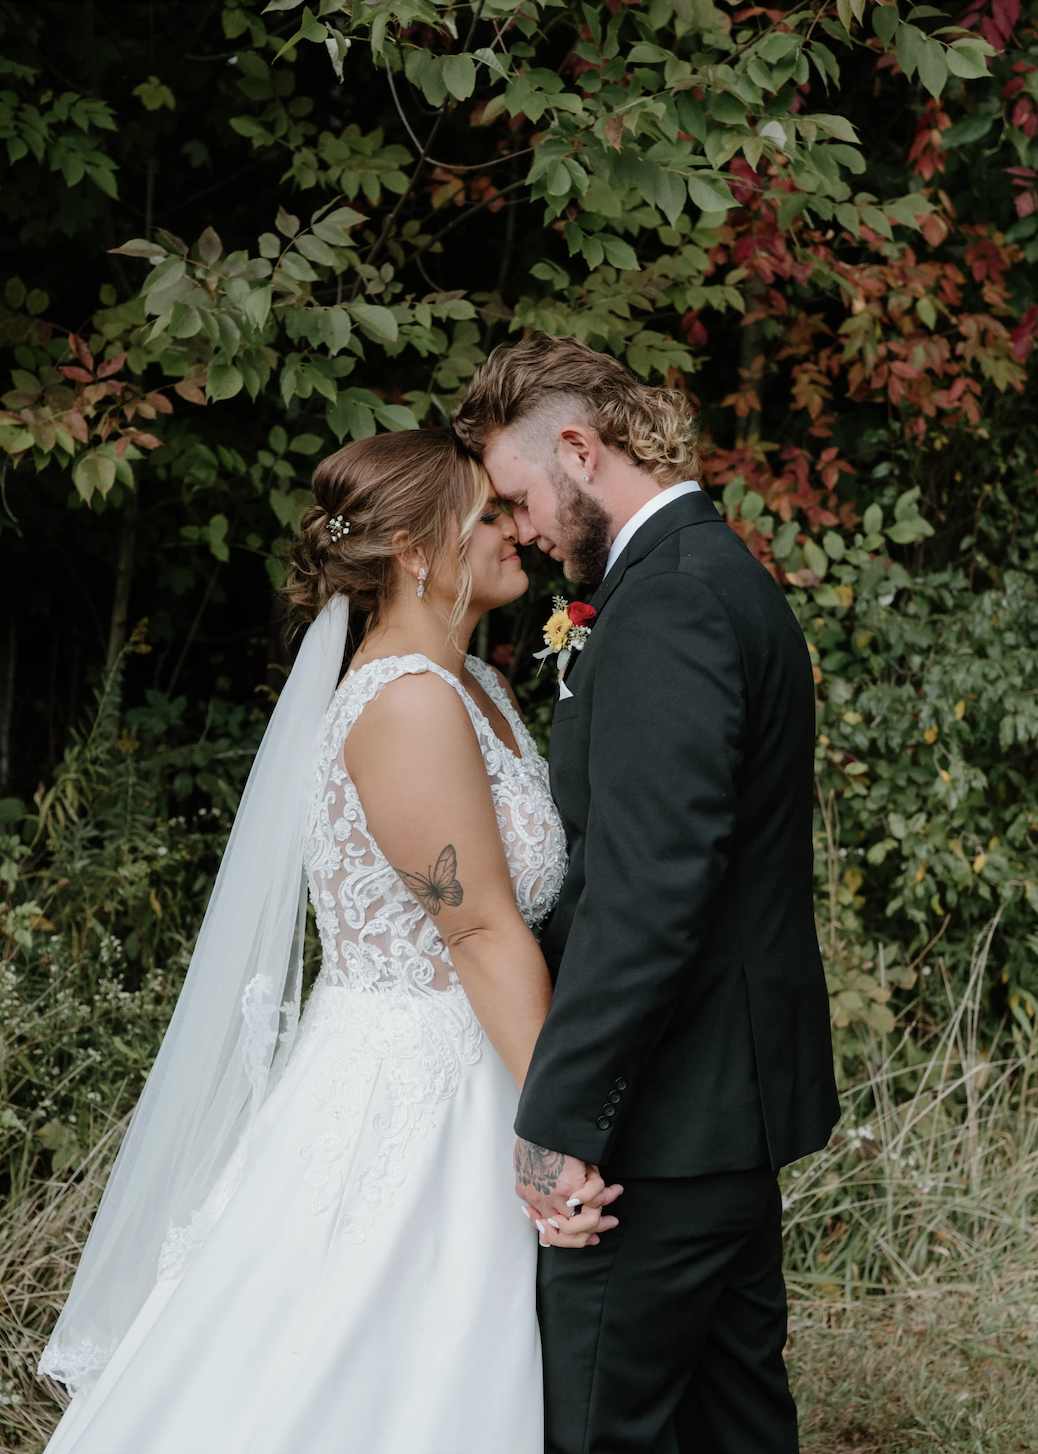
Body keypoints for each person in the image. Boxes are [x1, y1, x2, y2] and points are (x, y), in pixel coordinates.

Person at [37, 427, 616, 1454]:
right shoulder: (403, 704)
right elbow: (478, 925)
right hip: (414, 1082)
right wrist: (560, 1125)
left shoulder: (476, 686)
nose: (514, 529)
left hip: (479, 1055)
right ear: (414, 548)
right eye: (487, 513)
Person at [453, 334, 840, 1454]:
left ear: (578, 449)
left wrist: (565, 1121)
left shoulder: (667, 600)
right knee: (736, 1422)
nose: (518, 527)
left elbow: (651, 891)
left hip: (661, 1133)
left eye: (518, 496)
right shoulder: (707, 572)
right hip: (722, 1112)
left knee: (597, 1429)